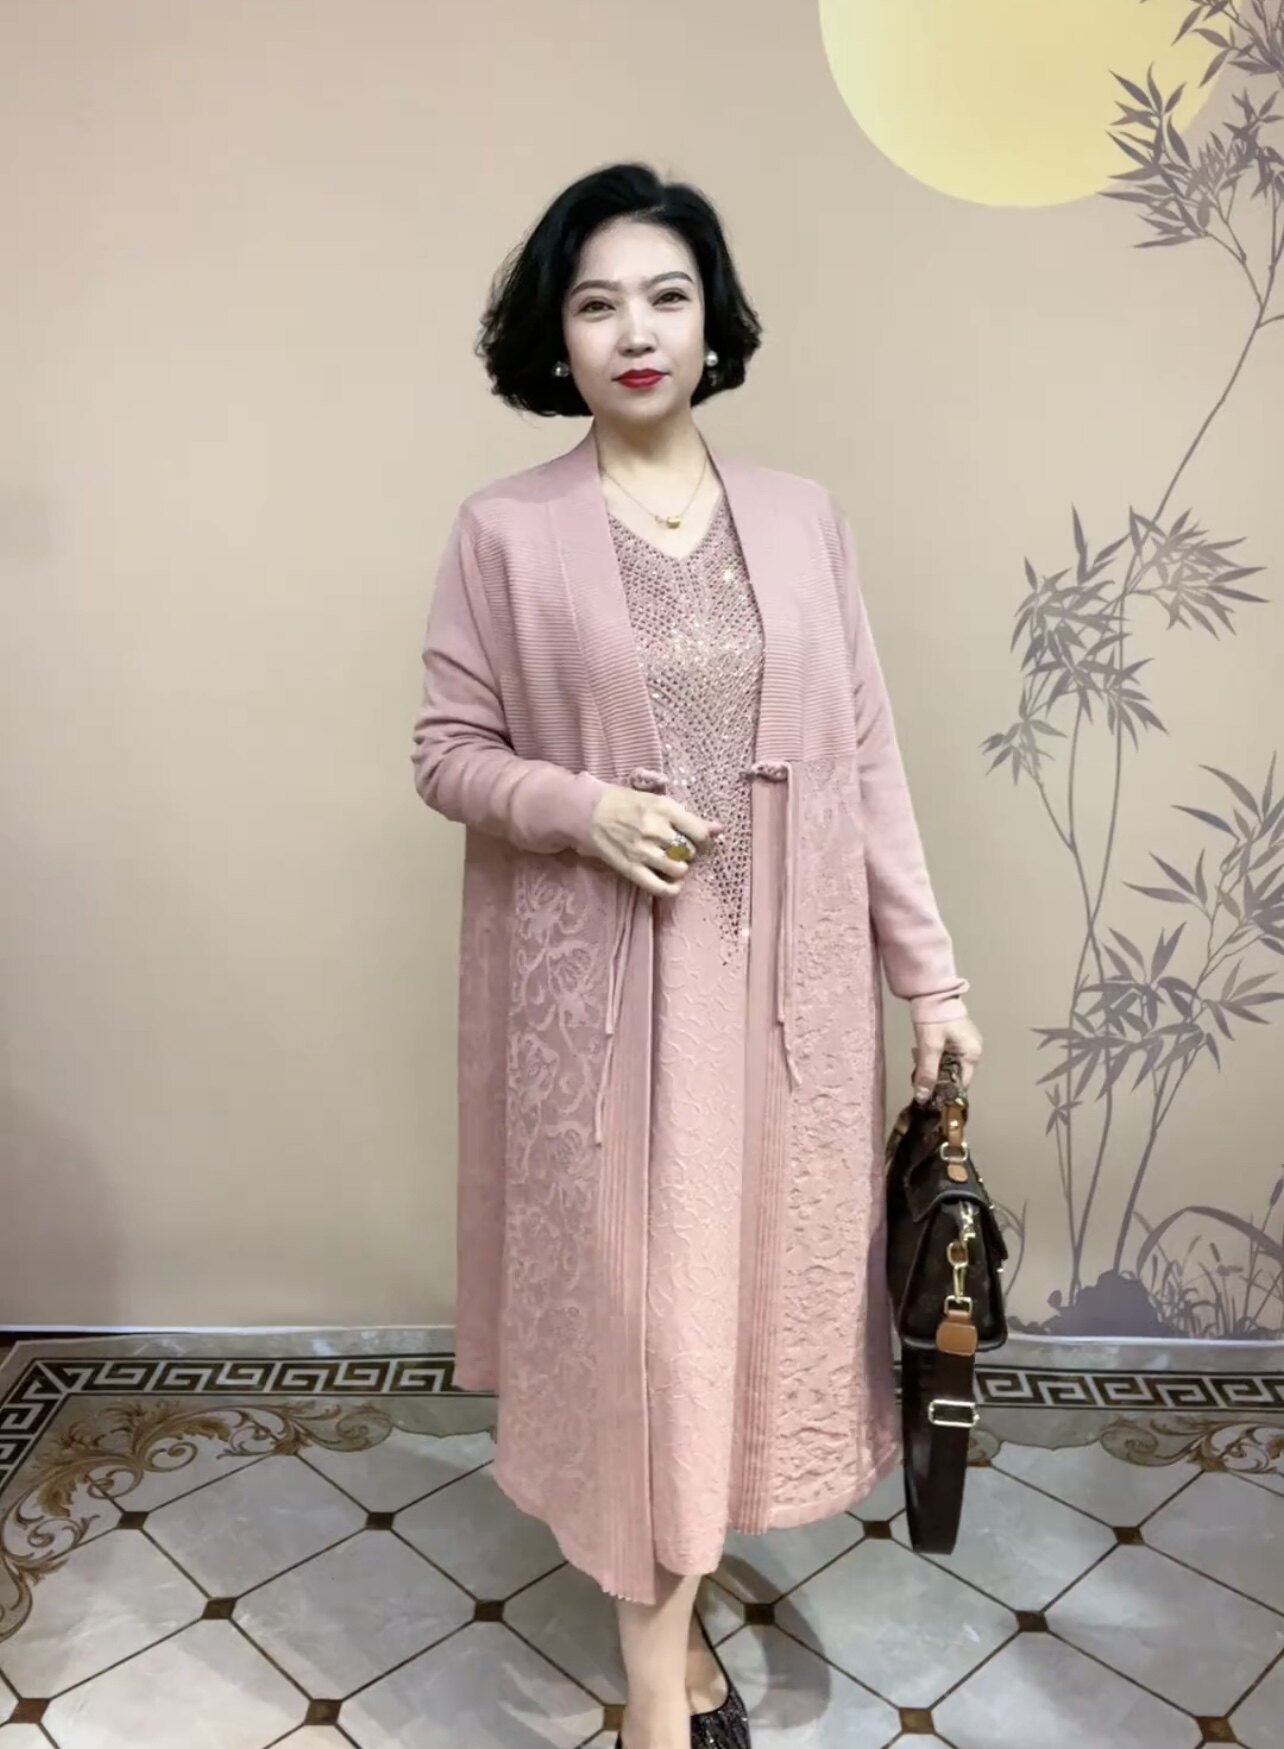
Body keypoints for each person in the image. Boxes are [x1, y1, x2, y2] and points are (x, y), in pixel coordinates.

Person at [410, 162, 982, 1749]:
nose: (636, 331)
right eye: (596, 304)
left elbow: (865, 758)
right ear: (558, 337)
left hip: (786, 1010)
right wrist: (584, 806)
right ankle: (659, 1702)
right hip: (607, 1017)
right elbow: (446, 751)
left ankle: (682, 1637)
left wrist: (930, 979)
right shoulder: (506, 530)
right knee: (648, 1334)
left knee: (732, 1324)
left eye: (665, 296)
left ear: (712, 321)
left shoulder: (802, 518)